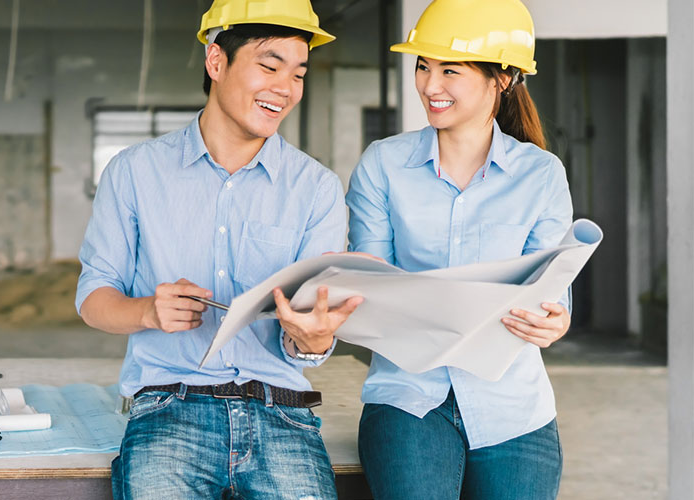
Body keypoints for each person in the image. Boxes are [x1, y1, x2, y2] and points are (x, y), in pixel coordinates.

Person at [75, 1, 366, 498]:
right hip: (169, 408)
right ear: (216, 62)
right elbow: (93, 299)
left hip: (282, 413)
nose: (285, 88)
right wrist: (147, 310)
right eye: (269, 66)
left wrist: (313, 338)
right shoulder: (134, 172)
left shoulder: (315, 188)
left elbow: (311, 339)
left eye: (298, 74)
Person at [345, 1, 573, 498]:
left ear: (504, 77)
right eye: (423, 67)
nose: (429, 85)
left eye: (449, 69)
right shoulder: (383, 165)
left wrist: (555, 319)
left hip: (514, 407)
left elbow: (553, 290)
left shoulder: (541, 175)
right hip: (409, 398)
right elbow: (371, 286)